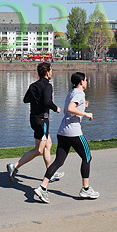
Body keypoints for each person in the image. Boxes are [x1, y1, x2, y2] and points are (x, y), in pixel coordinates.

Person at [37, 72, 98, 203]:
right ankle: (85, 189)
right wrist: (86, 114)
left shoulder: (71, 93)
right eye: (86, 80)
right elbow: (70, 108)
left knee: (59, 161)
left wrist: (82, 106)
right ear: (81, 82)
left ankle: (43, 187)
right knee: (87, 157)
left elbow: (66, 110)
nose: (87, 82)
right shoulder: (79, 93)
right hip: (73, 132)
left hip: (62, 131)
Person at [7, 62, 60, 182]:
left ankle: (50, 173)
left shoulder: (33, 86)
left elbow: (26, 100)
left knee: (48, 144)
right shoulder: (47, 86)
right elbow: (47, 102)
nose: (52, 73)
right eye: (51, 71)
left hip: (34, 118)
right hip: (42, 120)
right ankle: (14, 166)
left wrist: (36, 98)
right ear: (47, 73)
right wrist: (56, 108)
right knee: (39, 150)